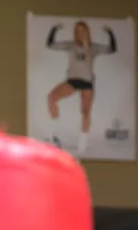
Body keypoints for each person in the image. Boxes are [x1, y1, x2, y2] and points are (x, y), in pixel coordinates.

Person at [45, 20, 117, 155]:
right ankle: (55, 135)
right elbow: (50, 44)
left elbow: (112, 49)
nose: (80, 33)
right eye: (77, 31)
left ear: (87, 32)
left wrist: (110, 33)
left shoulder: (92, 47)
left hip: (87, 82)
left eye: (82, 30)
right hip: (72, 80)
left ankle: (83, 142)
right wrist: (54, 29)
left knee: (85, 111)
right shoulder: (70, 45)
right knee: (51, 97)